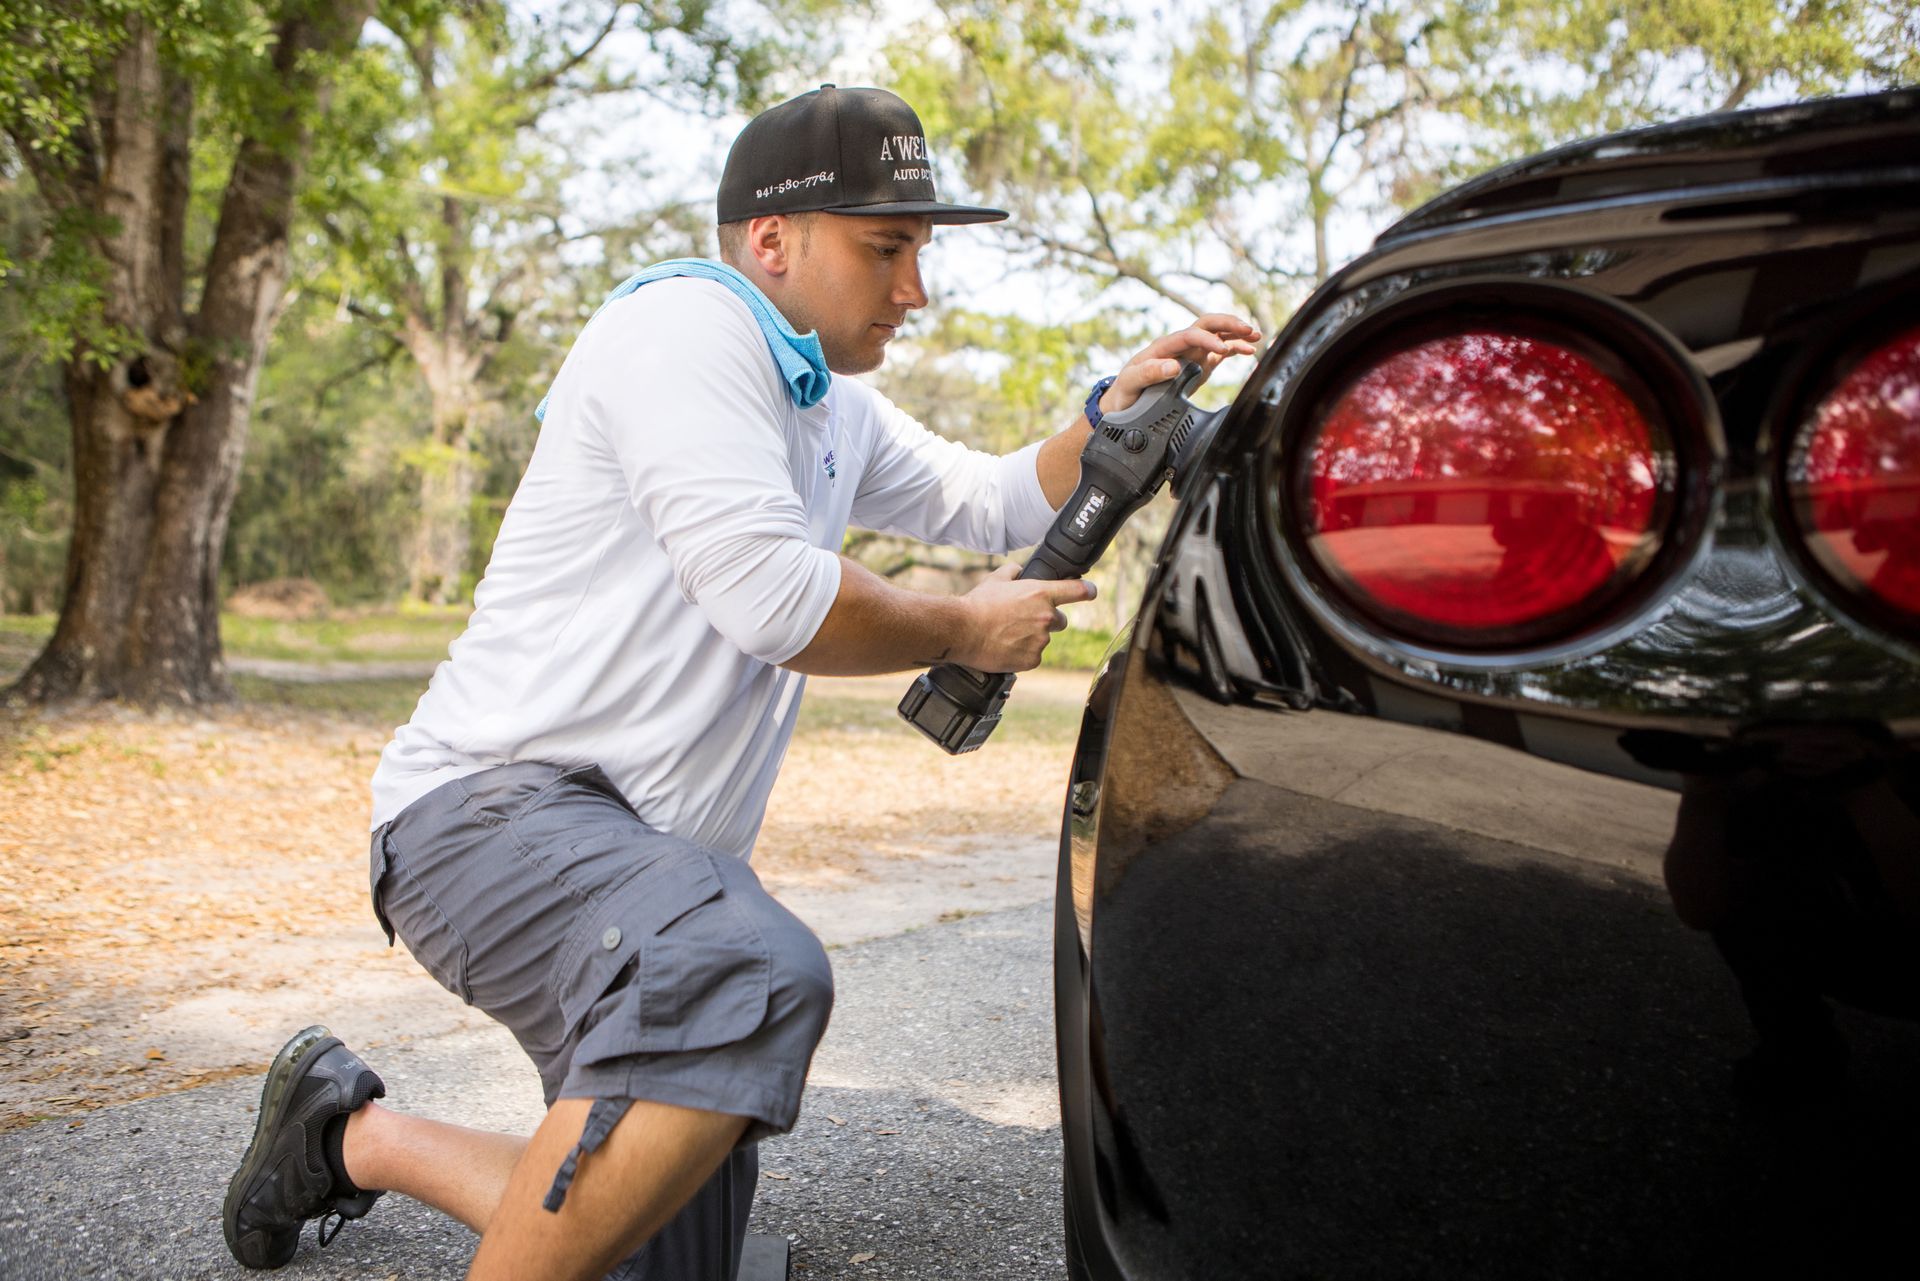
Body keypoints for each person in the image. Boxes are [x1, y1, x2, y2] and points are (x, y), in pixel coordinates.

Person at [221, 84, 1259, 1281]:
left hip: (634, 863)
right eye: (888, 249)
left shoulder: (827, 406)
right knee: (747, 971)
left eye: (919, 250)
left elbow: (991, 497)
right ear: (774, 239)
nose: (914, 289)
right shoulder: (684, 330)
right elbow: (772, 597)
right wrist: (965, 629)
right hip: (486, 819)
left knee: (647, 1240)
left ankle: (344, 1135)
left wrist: (1112, 415)